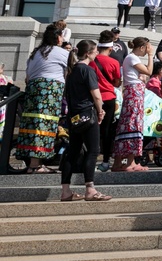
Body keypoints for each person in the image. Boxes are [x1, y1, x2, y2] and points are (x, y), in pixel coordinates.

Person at [59, 39, 112, 202]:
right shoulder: (87, 70)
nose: (97, 53)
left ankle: (65, 190)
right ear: (88, 53)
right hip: (87, 113)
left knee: (72, 151)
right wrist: (100, 110)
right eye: (95, 51)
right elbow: (96, 94)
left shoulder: (71, 70)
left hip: (73, 116)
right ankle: (90, 188)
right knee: (93, 150)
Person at [16, 23, 71, 173]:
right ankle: (35, 165)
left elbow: (27, 77)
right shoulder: (60, 52)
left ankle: (33, 163)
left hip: (33, 91)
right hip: (49, 92)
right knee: (43, 126)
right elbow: (74, 69)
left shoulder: (36, 53)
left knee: (33, 125)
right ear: (58, 37)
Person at [112, 37, 153, 171]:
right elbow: (149, 71)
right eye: (146, 48)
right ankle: (129, 162)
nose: (147, 51)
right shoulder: (132, 58)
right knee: (132, 124)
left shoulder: (131, 58)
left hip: (134, 93)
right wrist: (151, 56)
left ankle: (124, 161)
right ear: (142, 47)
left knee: (130, 124)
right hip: (134, 94)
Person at [91, 31, 122, 172]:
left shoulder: (90, 61)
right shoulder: (114, 62)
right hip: (109, 98)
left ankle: (89, 158)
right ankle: (105, 161)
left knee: (91, 129)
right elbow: (116, 82)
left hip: (91, 97)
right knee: (107, 130)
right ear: (110, 48)